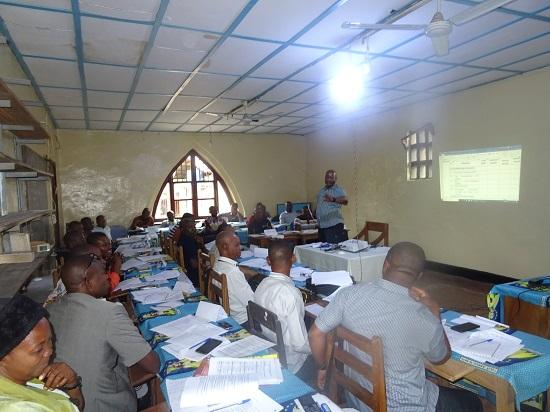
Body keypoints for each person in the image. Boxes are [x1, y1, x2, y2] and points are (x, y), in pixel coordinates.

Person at [308, 242, 483, 412]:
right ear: (419, 276)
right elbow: (441, 357)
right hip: (404, 406)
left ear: (385, 264)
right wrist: (435, 313)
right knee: (473, 401)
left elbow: (315, 334)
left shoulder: (348, 294)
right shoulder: (423, 316)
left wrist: (322, 368)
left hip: (358, 398)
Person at [48, 256, 160, 412]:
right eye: (103, 273)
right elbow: (153, 364)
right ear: (88, 282)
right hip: (103, 404)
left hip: (65, 401)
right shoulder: (109, 312)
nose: (108, 276)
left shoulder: (50, 310)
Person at [0, 295, 84, 411]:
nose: (49, 352)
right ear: (3, 357)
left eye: (51, 340)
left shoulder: (27, 377)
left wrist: (72, 384)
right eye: (38, 349)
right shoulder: (16, 408)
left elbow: (74, 406)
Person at [254, 240, 312, 378]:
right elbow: (299, 345)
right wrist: (318, 347)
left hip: (270, 347)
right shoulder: (291, 293)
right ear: (293, 258)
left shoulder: (261, 284)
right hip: (291, 362)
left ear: (268, 261)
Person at [212, 230, 254, 325]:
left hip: (232, 313)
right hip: (244, 320)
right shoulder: (233, 273)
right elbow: (251, 303)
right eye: (236, 245)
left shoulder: (217, 265)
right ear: (225, 247)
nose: (240, 248)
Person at [315, 170, 348, 243]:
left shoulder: (338, 189)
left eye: (331, 177)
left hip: (334, 226)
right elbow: (320, 206)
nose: (328, 179)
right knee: (323, 250)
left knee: (333, 251)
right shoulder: (321, 191)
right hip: (322, 226)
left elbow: (345, 201)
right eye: (327, 177)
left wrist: (333, 199)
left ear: (335, 179)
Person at [177, 218, 206, 287]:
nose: (194, 229)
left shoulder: (183, 237)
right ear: (184, 228)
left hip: (186, 270)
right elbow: (194, 264)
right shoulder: (189, 241)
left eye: (194, 227)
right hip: (193, 275)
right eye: (190, 227)